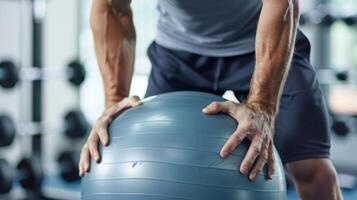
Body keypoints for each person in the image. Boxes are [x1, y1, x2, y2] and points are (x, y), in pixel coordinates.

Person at [79, 0, 343, 199]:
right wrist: (115, 100)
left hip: (263, 40)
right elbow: (111, 8)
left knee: (312, 168)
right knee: (150, 162)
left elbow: (282, 4)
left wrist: (263, 107)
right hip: (179, 53)